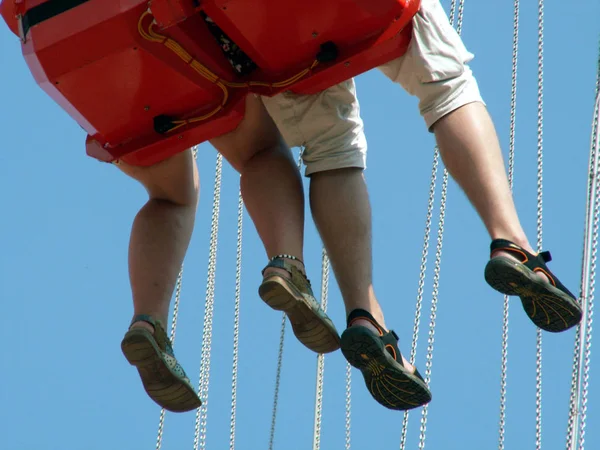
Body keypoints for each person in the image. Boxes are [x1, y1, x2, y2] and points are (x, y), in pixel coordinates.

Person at [1, 0, 582, 414]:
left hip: (78, 42)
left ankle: (350, 309)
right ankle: (510, 243)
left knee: (291, 152)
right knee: (444, 81)